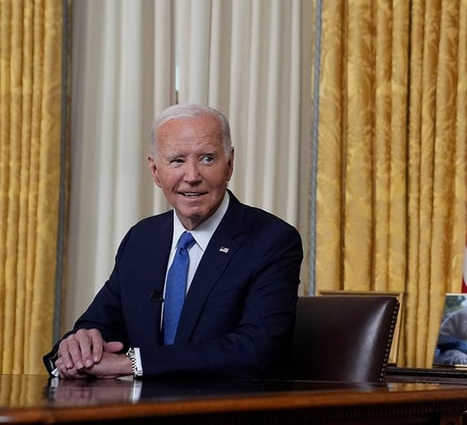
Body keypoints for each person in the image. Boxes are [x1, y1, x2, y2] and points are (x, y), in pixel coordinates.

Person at [43, 103, 303, 379]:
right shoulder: (142, 239)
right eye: (177, 160)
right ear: (155, 171)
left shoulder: (272, 240)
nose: (192, 177)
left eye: (207, 159)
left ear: (229, 164)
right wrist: (78, 347)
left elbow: (257, 350)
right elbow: (99, 323)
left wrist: (132, 364)